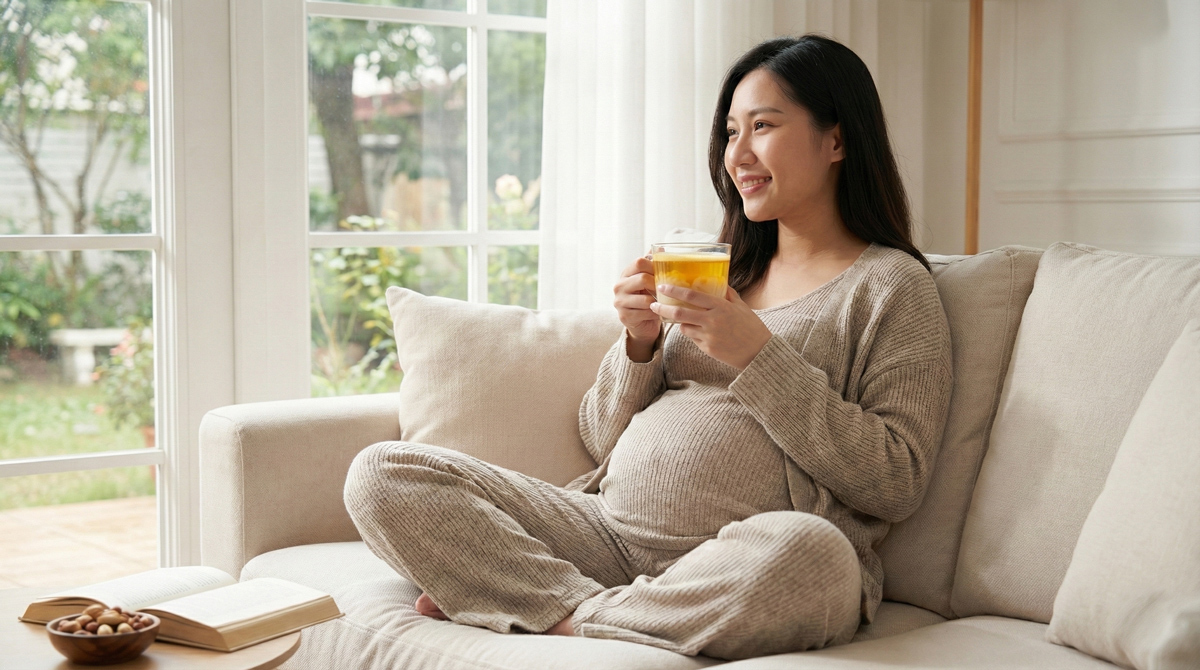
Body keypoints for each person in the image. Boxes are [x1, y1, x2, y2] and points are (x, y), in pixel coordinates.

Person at [344, 34, 953, 660]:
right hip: (600, 533)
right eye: (729, 133)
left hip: (740, 557)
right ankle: (583, 609)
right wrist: (637, 345)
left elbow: (895, 480)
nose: (737, 154)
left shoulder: (889, 286)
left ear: (837, 139)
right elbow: (601, 437)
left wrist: (758, 357)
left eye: (763, 126)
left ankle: (540, 607)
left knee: (815, 558)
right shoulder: (724, 271)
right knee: (381, 473)